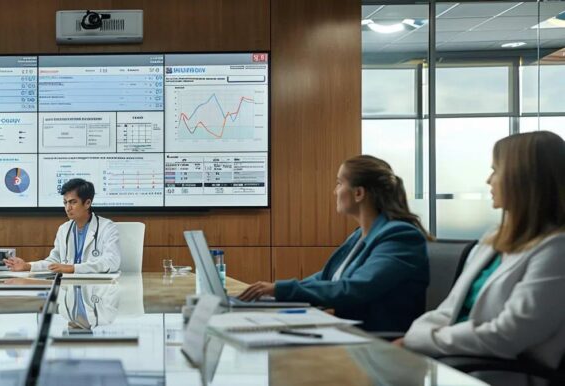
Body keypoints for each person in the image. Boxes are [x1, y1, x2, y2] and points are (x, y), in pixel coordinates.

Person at [399, 131, 565, 385]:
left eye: (496, 170)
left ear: (524, 179)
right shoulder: (493, 241)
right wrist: (419, 336)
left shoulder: (557, 249)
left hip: (501, 374)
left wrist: (425, 340)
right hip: (453, 365)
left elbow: (507, 335)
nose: (489, 180)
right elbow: (448, 310)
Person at [238, 155, 430, 332]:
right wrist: (274, 292)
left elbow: (354, 288)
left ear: (358, 193)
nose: (334, 191)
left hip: (377, 341)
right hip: (348, 332)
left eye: (339, 183)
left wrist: (282, 290)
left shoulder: (400, 236)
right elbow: (326, 277)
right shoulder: (359, 235)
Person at [3, 178, 121, 273]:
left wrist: (73, 268)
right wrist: (27, 266)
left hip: (99, 288)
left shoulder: (107, 227)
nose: (68, 208)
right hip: (69, 286)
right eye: (65, 202)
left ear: (87, 203)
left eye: (73, 202)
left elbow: (112, 262)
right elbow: (54, 261)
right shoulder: (64, 229)